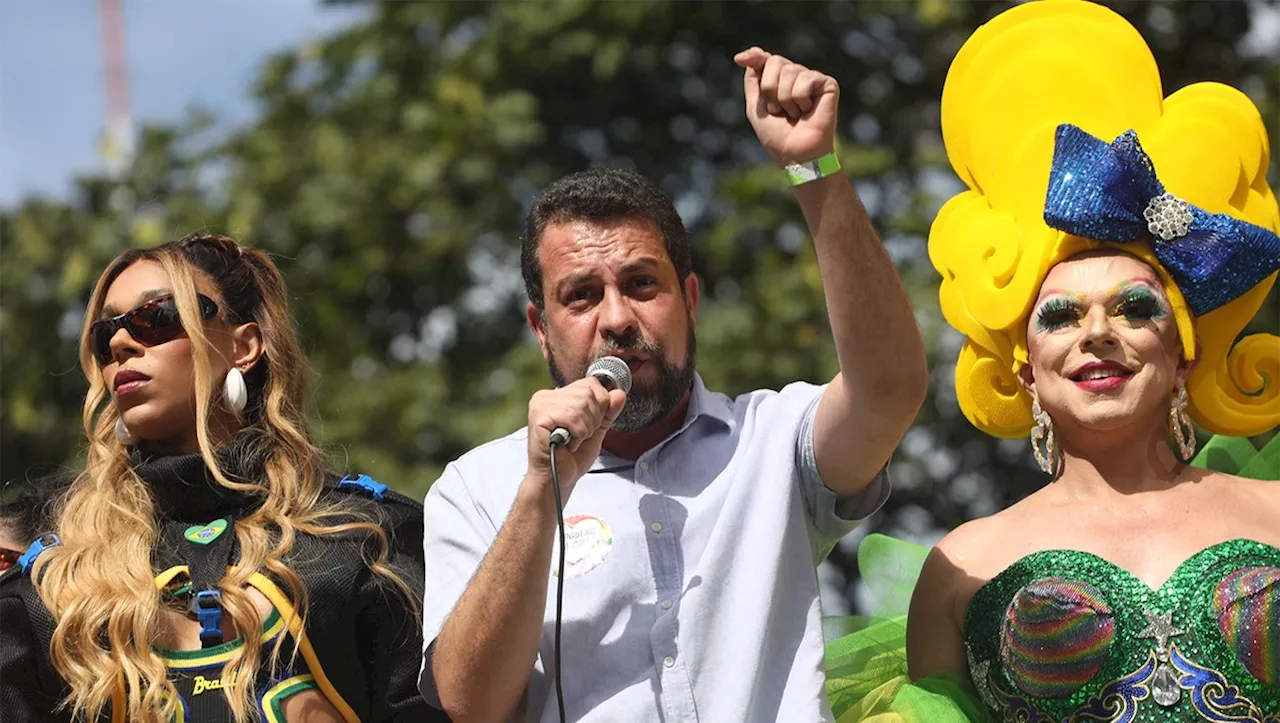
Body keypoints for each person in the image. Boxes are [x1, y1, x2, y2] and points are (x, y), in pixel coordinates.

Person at [419, 47, 929, 722]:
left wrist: (815, 168)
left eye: (640, 284)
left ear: (689, 298)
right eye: (581, 296)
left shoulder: (772, 440)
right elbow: (469, 702)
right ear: (541, 329)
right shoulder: (477, 487)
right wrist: (543, 491)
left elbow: (889, 388)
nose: (617, 319)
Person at [825, 1, 1280, 721]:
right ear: (1024, 369)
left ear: (1185, 353)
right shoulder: (961, 565)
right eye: (1061, 316)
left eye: (1135, 308)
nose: (1097, 333)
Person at [0, 234, 442, 723]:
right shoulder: (49, 586)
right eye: (106, 335)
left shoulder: (368, 539)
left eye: (157, 316)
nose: (122, 343)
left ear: (243, 346)